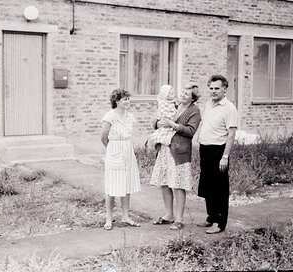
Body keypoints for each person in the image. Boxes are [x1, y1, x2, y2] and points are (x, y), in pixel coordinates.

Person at [150, 83, 201, 230]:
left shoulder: (194, 111)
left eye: (187, 93)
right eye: (183, 91)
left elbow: (191, 131)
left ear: (193, 98)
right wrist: (157, 123)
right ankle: (168, 215)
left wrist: (173, 125)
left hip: (179, 152)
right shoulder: (175, 105)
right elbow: (158, 117)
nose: (182, 94)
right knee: (164, 182)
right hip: (165, 149)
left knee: (178, 184)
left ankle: (179, 219)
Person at [197, 74, 238, 234]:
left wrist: (225, 157)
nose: (213, 92)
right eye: (211, 88)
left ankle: (220, 223)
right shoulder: (208, 104)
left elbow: (231, 134)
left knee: (219, 187)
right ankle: (211, 217)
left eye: (217, 88)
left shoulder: (229, 108)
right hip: (205, 150)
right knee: (207, 185)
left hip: (218, 151)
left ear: (225, 89)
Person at [100, 89, 141, 230]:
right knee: (111, 185)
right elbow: (103, 137)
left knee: (126, 184)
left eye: (129, 99)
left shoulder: (130, 116)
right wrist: (111, 150)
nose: (128, 102)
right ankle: (109, 218)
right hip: (114, 150)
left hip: (127, 151)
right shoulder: (110, 116)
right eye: (125, 99)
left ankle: (125, 216)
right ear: (117, 101)